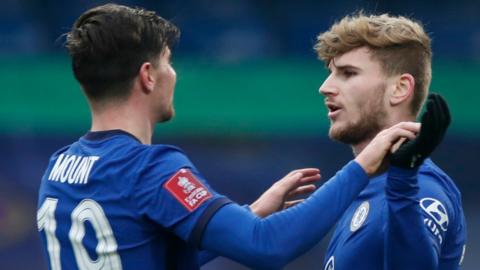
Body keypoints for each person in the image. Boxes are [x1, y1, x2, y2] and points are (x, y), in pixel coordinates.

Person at [37, 4, 421, 269]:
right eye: (168, 63)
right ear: (147, 76)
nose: (174, 74)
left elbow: (140, 254)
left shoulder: (58, 168)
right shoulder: (151, 168)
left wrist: (249, 213)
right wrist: (363, 165)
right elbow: (267, 246)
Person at [314, 13, 467, 270]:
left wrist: (403, 182)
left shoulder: (422, 188)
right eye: (330, 73)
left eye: (348, 73)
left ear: (399, 88)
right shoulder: (362, 188)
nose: (325, 87)